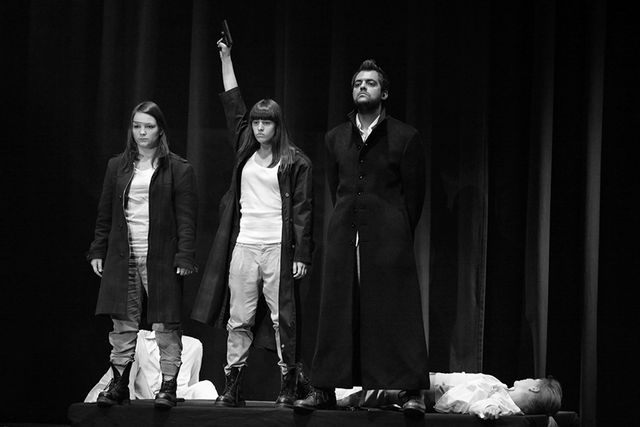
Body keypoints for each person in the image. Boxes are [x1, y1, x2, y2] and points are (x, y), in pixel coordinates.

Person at [294, 59, 428, 416]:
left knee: (397, 312)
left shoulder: (405, 136)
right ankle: (324, 388)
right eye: (357, 83)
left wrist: (396, 230)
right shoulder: (336, 137)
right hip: (345, 236)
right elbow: (335, 186)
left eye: (370, 83)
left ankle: (411, 390)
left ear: (384, 93)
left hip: (388, 239)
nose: (362, 87)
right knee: (336, 312)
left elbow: (414, 196)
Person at [190, 38, 313, 408]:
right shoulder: (245, 148)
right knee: (238, 318)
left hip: (277, 247)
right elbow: (233, 103)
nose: (259, 128)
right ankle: (232, 385)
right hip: (245, 246)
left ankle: (288, 385)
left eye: (266, 123)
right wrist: (226, 58)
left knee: (282, 320)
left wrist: (301, 254)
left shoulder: (296, 161)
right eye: (256, 122)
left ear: (277, 125)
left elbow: (304, 210)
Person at [86, 101, 198, 409]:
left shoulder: (177, 168)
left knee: (165, 323)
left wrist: (185, 256)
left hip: (160, 256)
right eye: (137, 126)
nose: (142, 132)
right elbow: (105, 213)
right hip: (123, 255)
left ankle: (168, 385)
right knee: (122, 323)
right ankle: (119, 382)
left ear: (160, 129)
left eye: (148, 126)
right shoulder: (118, 166)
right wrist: (98, 249)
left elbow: (187, 218)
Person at [335, 372, 563, 420]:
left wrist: (488, 410)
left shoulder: (503, 403)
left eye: (532, 380)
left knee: (380, 392)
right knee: (380, 384)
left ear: (534, 389)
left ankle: (337, 398)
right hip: (432, 381)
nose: (527, 378)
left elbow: (483, 406)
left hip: (432, 391)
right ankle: (341, 394)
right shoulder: (502, 388)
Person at [85, 331, 218, 402]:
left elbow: (192, 383)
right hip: (142, 403)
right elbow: (127, 383)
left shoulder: (194, 345)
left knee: (206, 386)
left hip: (176, 402)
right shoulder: (139, 339)